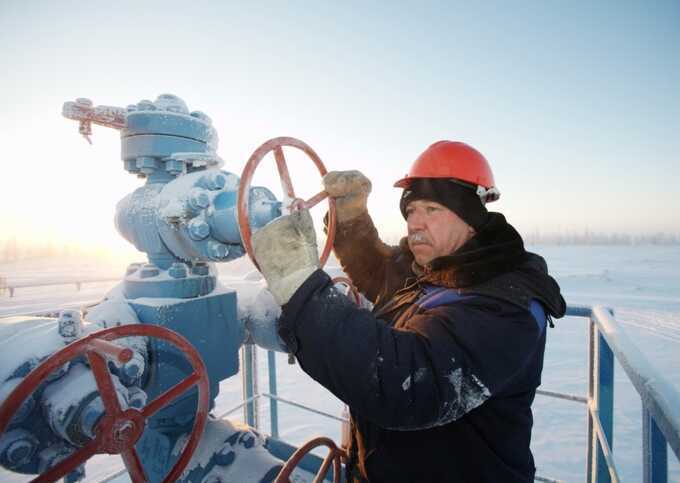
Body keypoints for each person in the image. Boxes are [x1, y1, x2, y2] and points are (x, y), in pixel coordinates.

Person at [252, 140, 566, 482]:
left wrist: (301, 286)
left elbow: (407, 385)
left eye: (432, 209)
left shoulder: (508, 306)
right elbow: (377, 270)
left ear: (471, 220)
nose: (415, 223)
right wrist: (350, 220)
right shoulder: (434, 269)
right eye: (411, 210)